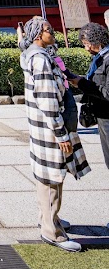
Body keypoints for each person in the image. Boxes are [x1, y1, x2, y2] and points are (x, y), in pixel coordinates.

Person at [20, 17, 90, 251]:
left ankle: (49, 217)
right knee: (53, 177)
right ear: (39, 35)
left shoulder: (35, 53)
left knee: (47, 174)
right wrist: (61, 134)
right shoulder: (39, 60)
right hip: (50, 127)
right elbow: (48, 99)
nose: (54, 32)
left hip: (43, 125)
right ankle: (52, 232)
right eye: (49, 30)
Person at [67, 22, 109, 170]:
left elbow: (107, 92)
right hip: (102, 114)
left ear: (95, 41)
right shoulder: (99, 58)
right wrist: (80, 81)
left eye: (86, 43)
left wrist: (82, 84)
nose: (86, 48)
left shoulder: (108, 59)